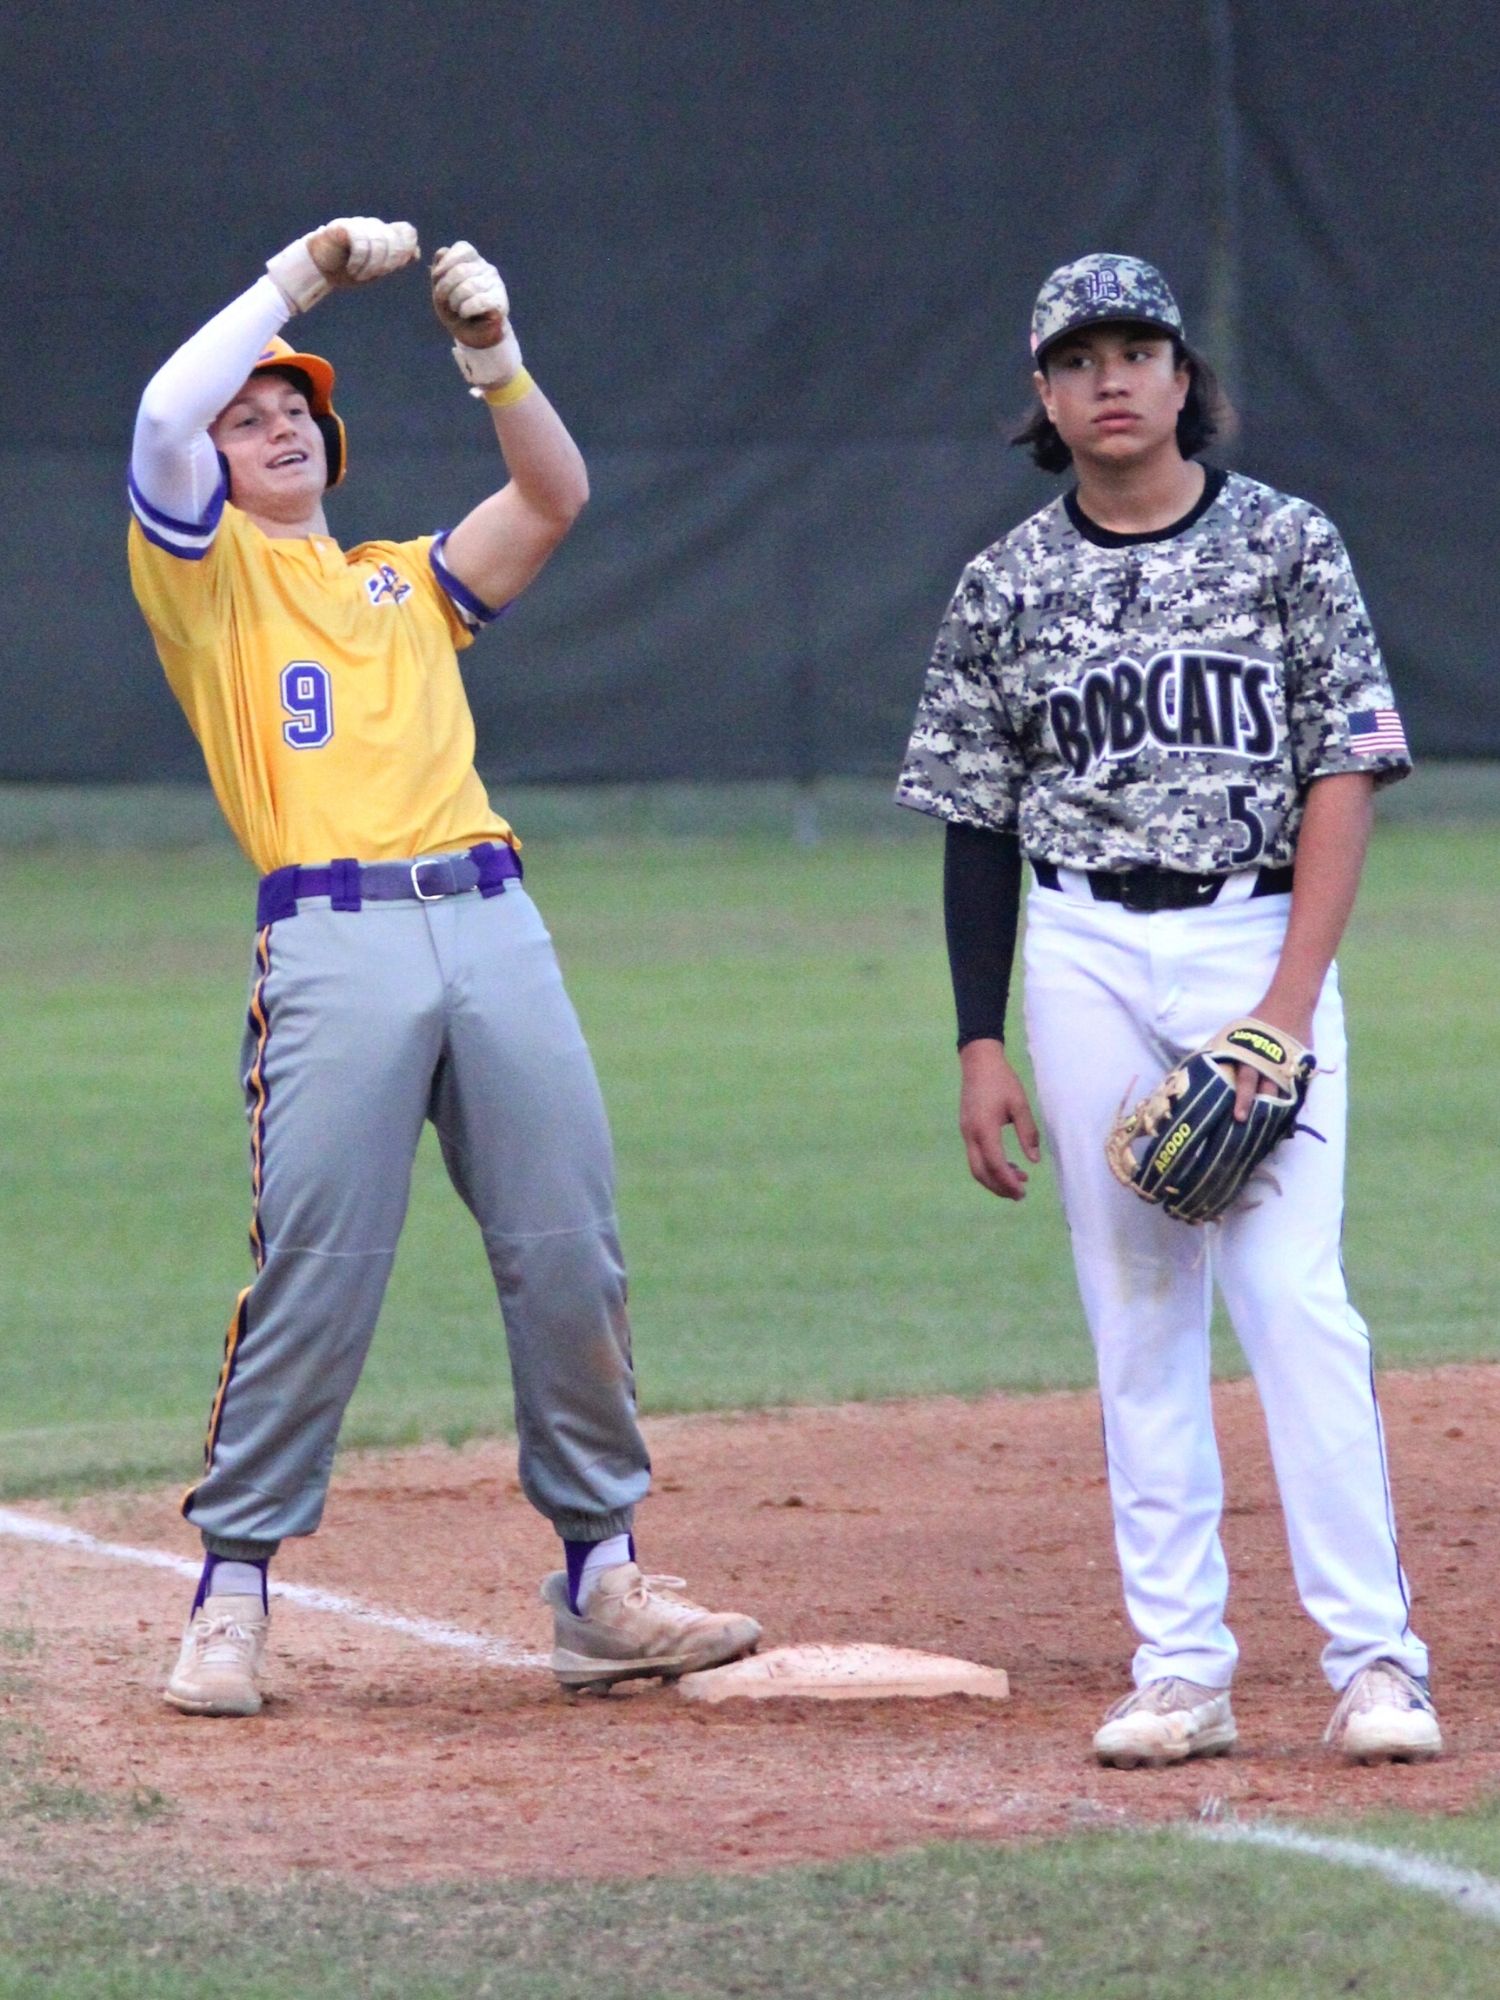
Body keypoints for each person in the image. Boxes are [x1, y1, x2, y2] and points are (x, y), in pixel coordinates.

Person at [128, 216, 760, 1716]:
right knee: (322, 1266)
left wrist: (494, 359)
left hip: (490, 918)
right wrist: (298, 278)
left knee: (568, 1247)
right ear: (211, 466)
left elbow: (556, 493)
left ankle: (601, 1582)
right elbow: (163, 409)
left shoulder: (406, 584)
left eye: (298, 413)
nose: (275, 425)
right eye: (253, 415)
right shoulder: (206, 587)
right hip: (331, 938)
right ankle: (230, 1598)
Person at [897, 253, 1440, 1767]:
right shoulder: (1005, 583)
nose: (1111, 379)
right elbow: (978, 817)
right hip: (1078, 948)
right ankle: (1181, 1670)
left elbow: (1346, 770)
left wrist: (1284, 1006)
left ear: (1185, 378)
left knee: (1292, 1302)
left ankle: (1378, 1661)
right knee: (1138, 1315)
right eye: (1079, 359)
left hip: (1255, 934)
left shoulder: (1286, 545)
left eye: (1139, 350)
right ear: (1045, 397)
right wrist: (980, 1037)